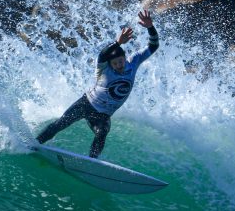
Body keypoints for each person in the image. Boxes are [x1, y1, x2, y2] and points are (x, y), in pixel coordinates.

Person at [35, 9, 159, 158]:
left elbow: (153, 46)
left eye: (121, 61)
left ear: (125, 58)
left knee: (101, 133)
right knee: (60, 124)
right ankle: (35, 144)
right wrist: (117, 42)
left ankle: (92, 162)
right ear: (110, 63)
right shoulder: (103, 68)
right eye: (115, 63)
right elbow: (102, 54)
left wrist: (150, 27)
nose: (119, 65)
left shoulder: (133, 63)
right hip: (86, 104)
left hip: (103, 115)